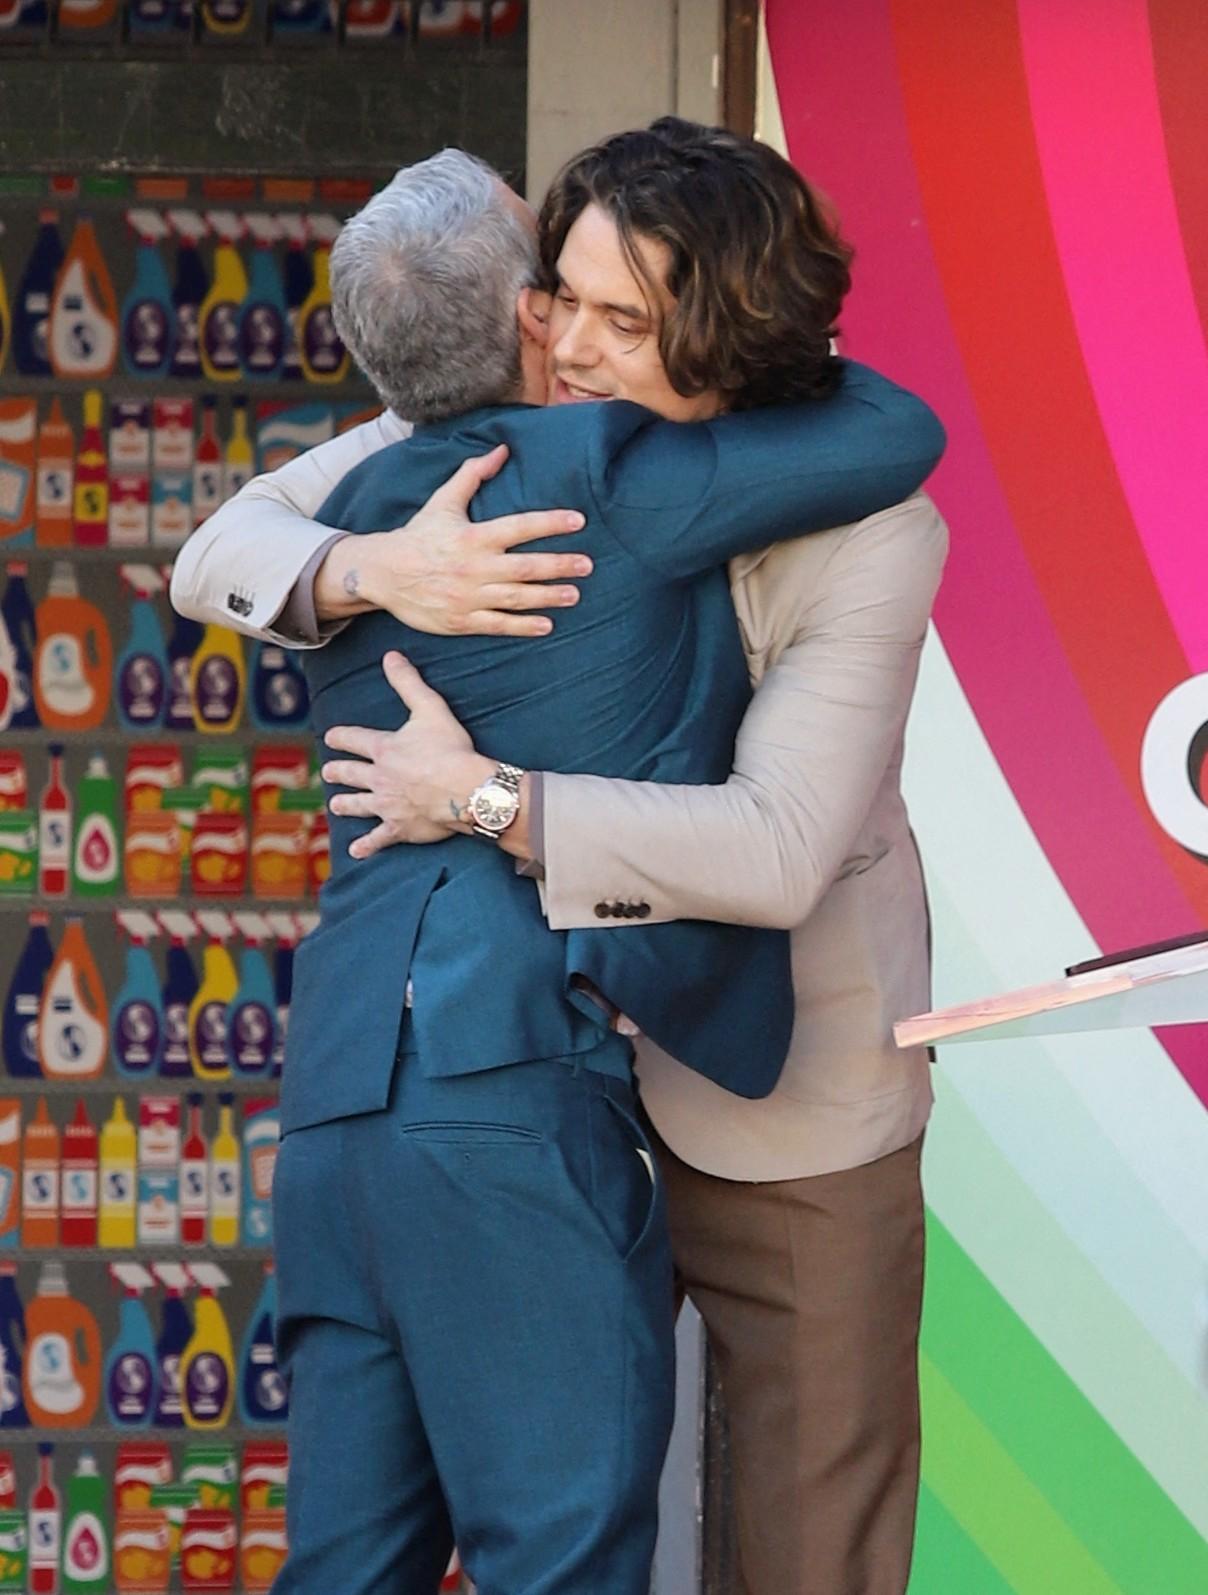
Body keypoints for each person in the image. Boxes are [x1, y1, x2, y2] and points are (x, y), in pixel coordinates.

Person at [171, 123, 946, 1595]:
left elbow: (781, 848)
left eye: (622, 320)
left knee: (807, 1556)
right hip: (534, 1083)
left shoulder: (871, 528)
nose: (568, 345)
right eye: (559, 297)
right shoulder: (500, 433)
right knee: (550, 1542)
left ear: (729, 332)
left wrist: (484, 799)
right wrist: (376, 566)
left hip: (785, 1096)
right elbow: (221, 549)